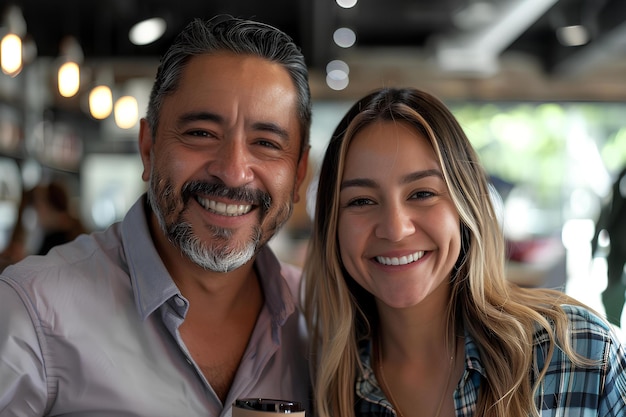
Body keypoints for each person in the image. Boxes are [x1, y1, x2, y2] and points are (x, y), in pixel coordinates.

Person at [0, 15, 312, 416]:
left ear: (298, 173)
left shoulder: (321, 323)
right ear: (148, 148)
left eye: (266, 143)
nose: (233, 171)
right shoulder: (31, 312)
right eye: (201, 133)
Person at [303, 87, 626, 417]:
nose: (395, 229)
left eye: (422, 193)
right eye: (361, 200)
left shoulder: (576, 353)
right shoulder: (315, 388)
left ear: (464, 207)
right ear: (332, 225)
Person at [591, 165, 626, 326]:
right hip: (618, 246)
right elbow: (607, 213)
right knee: (613, 288)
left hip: (617, 244)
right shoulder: (619, 178)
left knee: (613, 287)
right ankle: (614, 325)